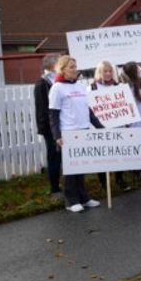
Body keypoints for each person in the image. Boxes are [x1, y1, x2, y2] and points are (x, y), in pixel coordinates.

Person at [47, 55, 104, 213]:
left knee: (81, 166)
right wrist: (57, 135)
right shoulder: (57, 88)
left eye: (75, 66)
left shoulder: (79, 86)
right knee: (71, 169)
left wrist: (100, 127)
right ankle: (71, 200)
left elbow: (88, 111)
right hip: (69, 132)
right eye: (71, 67)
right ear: (62, 69)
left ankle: (83, 198)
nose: (75, 69)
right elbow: (53, 114)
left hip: (83, 130)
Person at [89, 60, 128, 191]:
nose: (108, 73)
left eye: (110, 71)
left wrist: (127, 119)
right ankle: (103, 183)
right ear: (99, 72)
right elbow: (89, 109)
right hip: (99, 128)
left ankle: (119, 179)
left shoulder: (118, 86)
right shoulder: (92, 87)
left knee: (119, 154)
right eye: (105, 71)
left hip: (117, 126)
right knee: (102, 156)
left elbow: (125, 105)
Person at [34, 54, 61, 198]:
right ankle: (54, 188)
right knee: (54, 157)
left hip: (60, 126)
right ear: (52, 66)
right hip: (51, 129)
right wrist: (48, 130)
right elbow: (42, 110)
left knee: (61, 157)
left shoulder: (57, 81)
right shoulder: (42, 84)